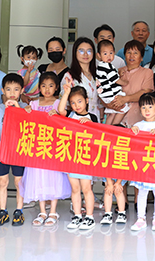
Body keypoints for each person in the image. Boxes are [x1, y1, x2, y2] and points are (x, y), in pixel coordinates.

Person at [20, 73, 71, 227]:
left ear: (56, 88)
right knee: (38, 177)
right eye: (43, 85)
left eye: (51, 85)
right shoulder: (34, 103)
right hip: (37, 147)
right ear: (39, 87)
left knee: (54, 177)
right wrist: (26, 111)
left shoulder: (58, 103)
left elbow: (64, 118)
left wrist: (59, 112)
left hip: (53, 147)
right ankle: (42, 211)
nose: (47, 89)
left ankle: (53, 211)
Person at [56, 84, 98, 230]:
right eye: (73, 103)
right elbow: (60, 110)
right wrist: (66, 93)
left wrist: (91, 124)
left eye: (79, 101)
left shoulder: (92, 117)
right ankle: (77, 215)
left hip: (85, 157)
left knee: (86, 188)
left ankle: (90, 217)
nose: (76, 105)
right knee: (75, 189)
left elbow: (98, 136)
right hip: (71, 157)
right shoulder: (70, 115)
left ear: (86, 100)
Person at [129, 94, 155, 232]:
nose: (147, 110)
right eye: (143, 107)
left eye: (150, 106)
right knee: (142, 192)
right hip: (143, 165)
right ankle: (140, 219)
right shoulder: (138, 125)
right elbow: (131, 144)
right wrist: (132, 132)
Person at [0, 73, 26, 227]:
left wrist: (16, 108)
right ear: (2, 91)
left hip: (19, 151)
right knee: (3, 181)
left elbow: (25, 125)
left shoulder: (25, 108)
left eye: (16, 89)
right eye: (8, 89)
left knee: (19, 182)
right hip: (4, 151)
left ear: (22, 91)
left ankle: (19, 210)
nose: (12, 93)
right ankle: (3, 211)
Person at [115, 40, 155, 127]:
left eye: (135, 53)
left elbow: (145, 92)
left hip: (137, 119)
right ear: (124, 56)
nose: (131, 56)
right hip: (116, 117)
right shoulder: (117, 72)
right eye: (129, 52)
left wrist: (125, 99)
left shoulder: (147, 72)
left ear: (142, 57)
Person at [61, 38, 101, 119]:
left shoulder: (98, 74)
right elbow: (65, 104)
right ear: (75, 53)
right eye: (81, 51)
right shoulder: (69, 76)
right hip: (77, 119)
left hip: (95, 117)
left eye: (89, 51)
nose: (85, 54)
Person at [96, 39, 129, 125]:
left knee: (112, 113)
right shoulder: (107, 66)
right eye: (105, 54)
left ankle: (107, 128)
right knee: (123, 108)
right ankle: (114, 126)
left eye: (111, 53)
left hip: (105, 95)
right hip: (110, 94)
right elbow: (116, 80)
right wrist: (125, 82)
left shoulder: (101, 66)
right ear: (99, 55)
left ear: (114, 52)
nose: (109, 56)